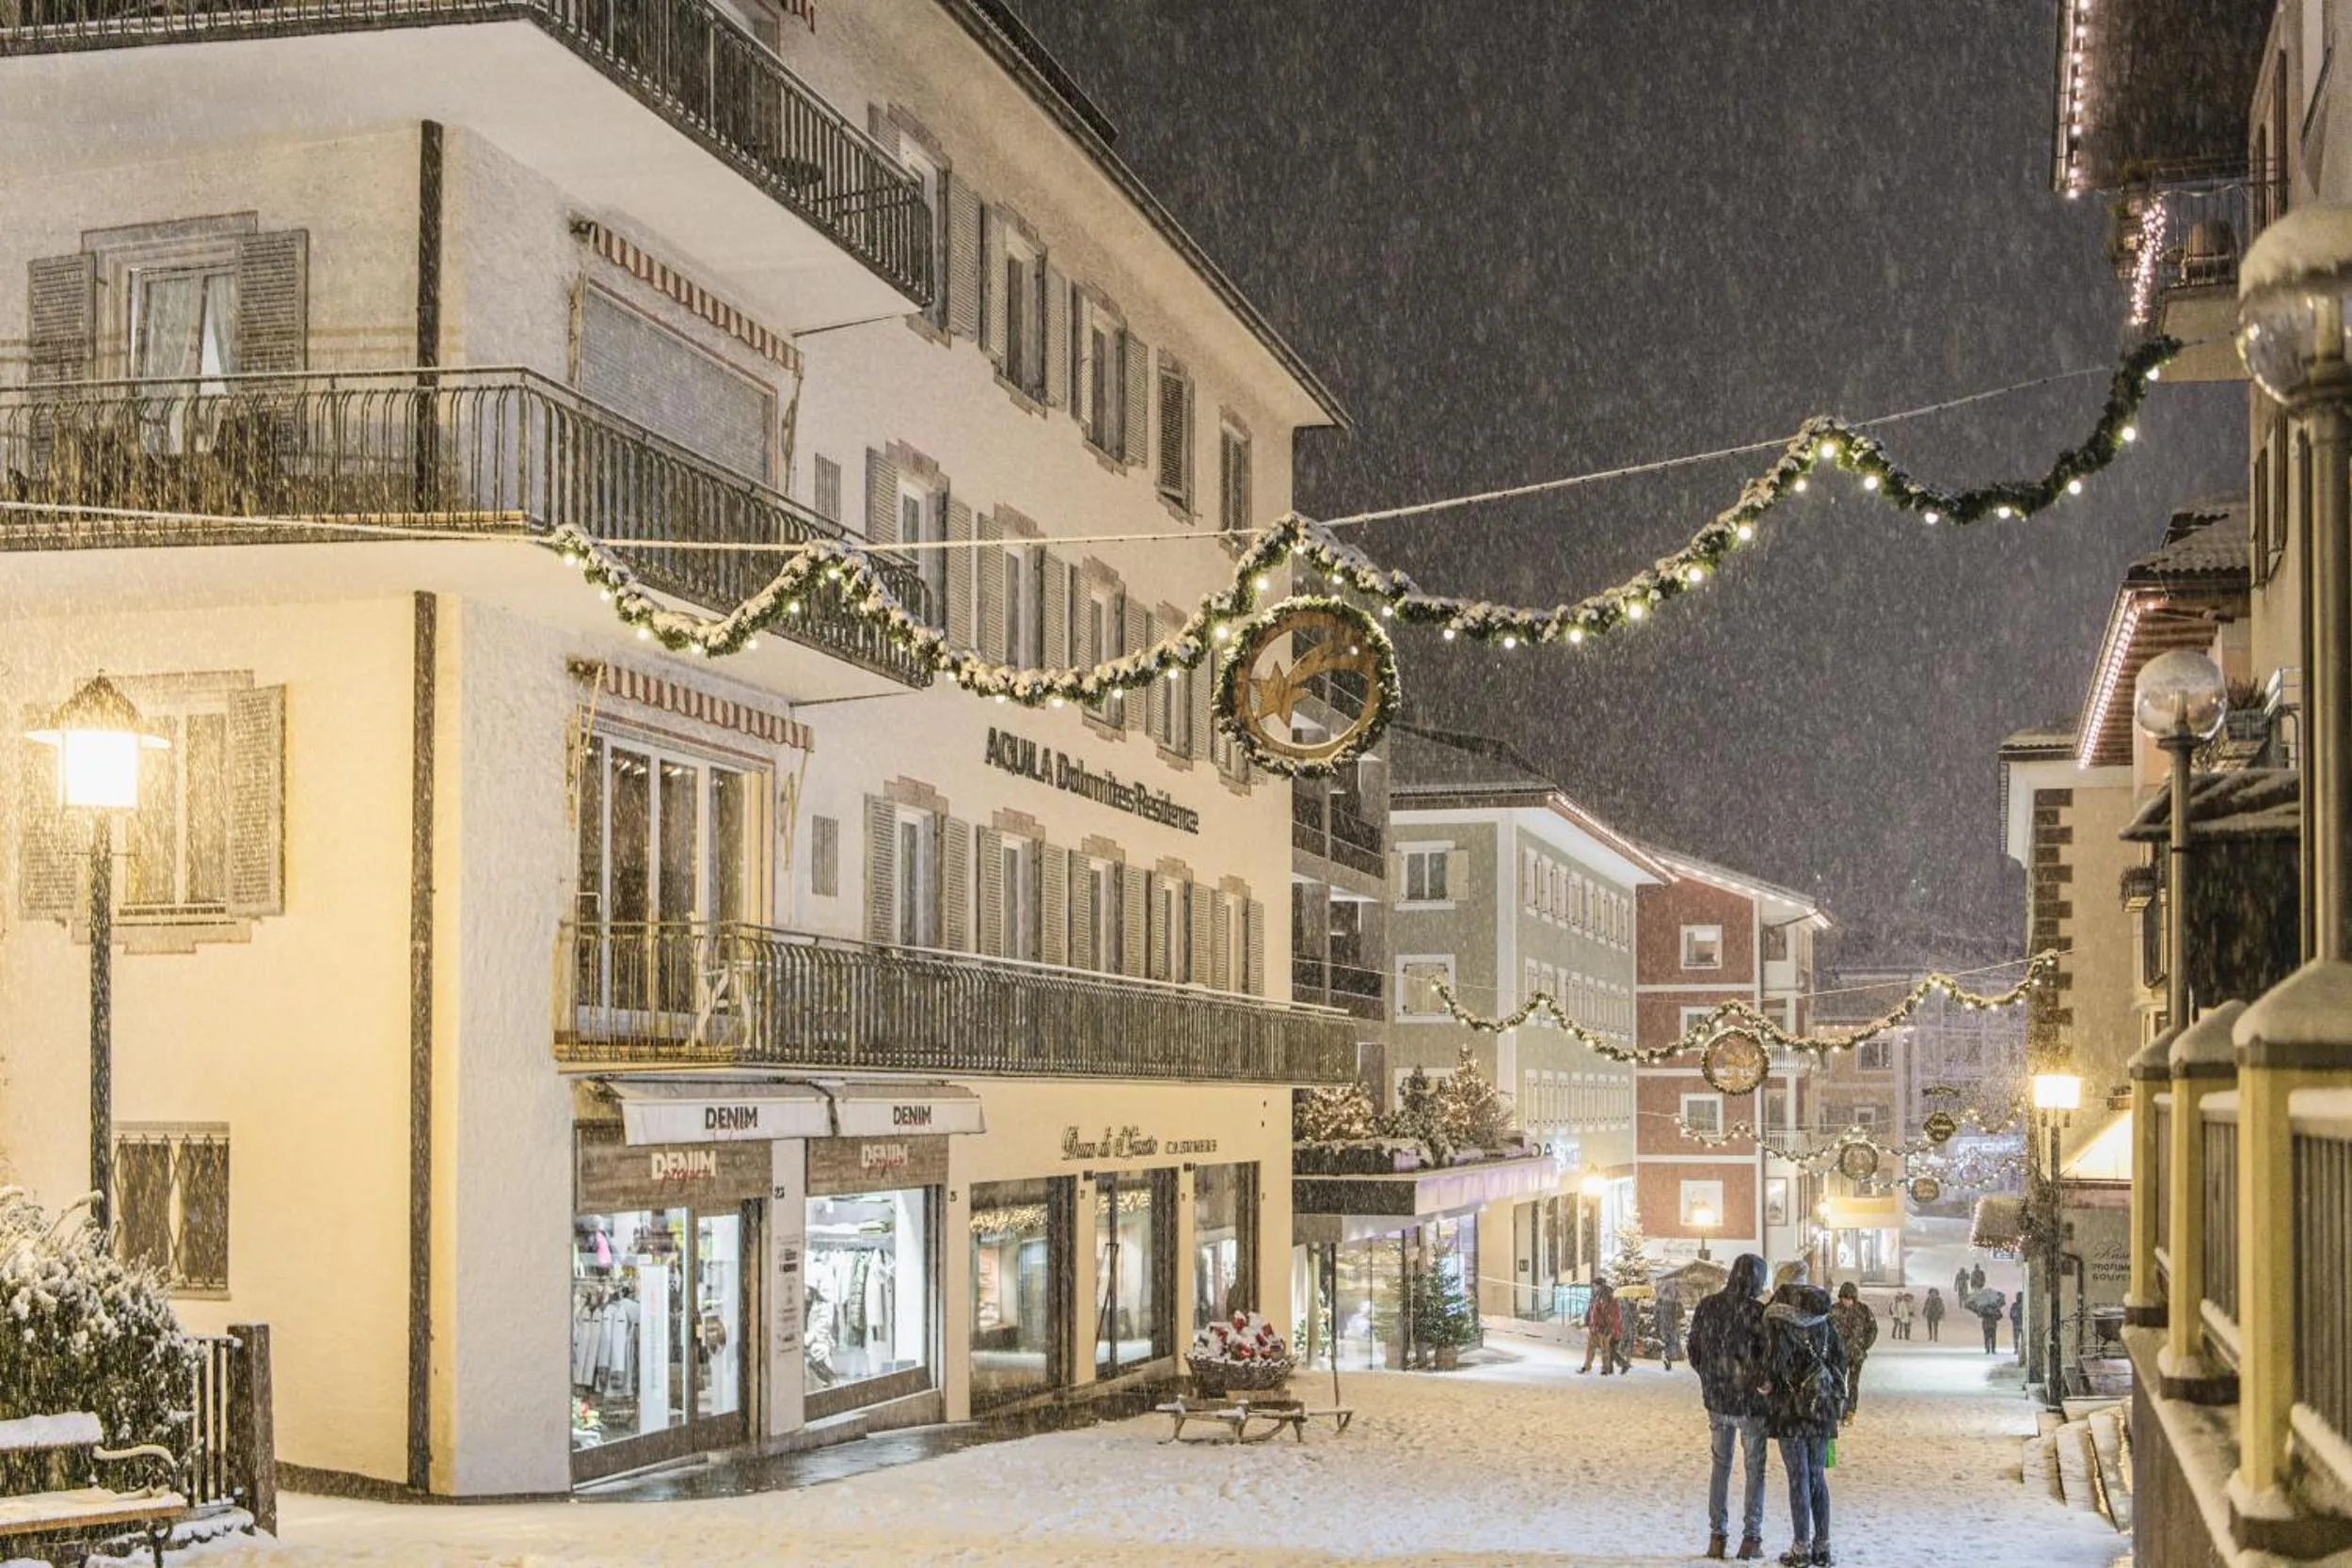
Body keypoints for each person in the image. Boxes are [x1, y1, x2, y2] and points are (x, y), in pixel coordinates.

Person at [1687, 1253, 1772, 1560]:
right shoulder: (1757, 1313)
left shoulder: (1708, 1307)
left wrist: (1711, 1378)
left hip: (1717, 1400)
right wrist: (1757, 1382)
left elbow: (1693, 1350)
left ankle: (1717, 1537)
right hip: (1749, 1403)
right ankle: (1751, 1538)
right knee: (1754, 1470)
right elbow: (1766, 1357)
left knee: (1720, 1467)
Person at [1765, 1260, 1846, 1567]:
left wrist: (1769, 1384)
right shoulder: (1824, 1317)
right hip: (1821, 1407)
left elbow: (1774, 1363)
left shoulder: (1777, 1318)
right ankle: (1823, 1546)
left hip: (1791, 1408)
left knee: (1798, 1477)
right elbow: (1840, 1359)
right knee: (1816, 1476)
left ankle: (1801, 1548)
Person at [1828, 1282, 1877, 1422]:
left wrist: (1864, 1345)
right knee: (1839, 1382)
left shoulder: (1863, 1310)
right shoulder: (1833, 1310)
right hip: (1839, 1355)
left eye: (1849, 1299)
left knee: (1853, 1384)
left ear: (1854, 1298)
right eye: (1844, 1298)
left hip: (1856, 1355)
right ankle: (1840, 1409)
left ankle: (1850, 1410)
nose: (1847, 1301)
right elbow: (1826, 1330)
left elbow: (1873, 1329)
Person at [1581, 1280, 1622, 1375]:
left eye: (1595, 1285)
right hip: (1595, 1327)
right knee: (1591, 1347)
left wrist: (1608, 1327)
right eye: (1593, 1286)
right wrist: (1588, 1320)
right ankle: (1587, 1366)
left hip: (1604, 1328)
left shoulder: (1607, 1297)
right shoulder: (1596, 1296)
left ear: (1600, 1286)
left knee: (1605, 1349)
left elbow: (1613, 1314)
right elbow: (1592, 1310)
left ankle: (1605, 1369)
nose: (1594, 1287)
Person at [1659, 1279, 1686, 1372]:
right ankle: (1671, 1356)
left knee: (1666, 1341)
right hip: (1672, 1325)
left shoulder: (1661, 1301)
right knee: (1673, 1341)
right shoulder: (1676, 1303)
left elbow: (1657, 1313)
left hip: (1664, 1324)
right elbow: (1681, 1315)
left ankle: (1667, 1356)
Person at [1975, 1288, 2007, 1354]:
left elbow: (1979, 1315)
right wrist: (1995, 1316)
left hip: (1986, 1325)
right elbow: (1999, 1316)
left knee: (1986, 1337)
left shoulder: (1983, 1307)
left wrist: (1982, 1312)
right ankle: (1993, 1349)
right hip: (1993, 1325)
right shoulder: (1995, 1307)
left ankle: (1987, 1349)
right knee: (1993, 1337)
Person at [2010, 1291, 2026, 1355]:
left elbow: (2012, 1315)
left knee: (2017, 1338)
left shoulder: (2014, 1305)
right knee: (2021, 1338)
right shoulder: (2024, 1305)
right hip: (2020, 1324)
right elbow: (2012, 1315)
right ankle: (2020, 1349)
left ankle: (2017, 1349)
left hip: (2017, 1324)